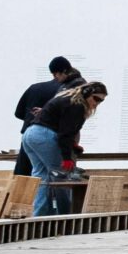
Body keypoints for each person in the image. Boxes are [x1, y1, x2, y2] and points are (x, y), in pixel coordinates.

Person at [22, 80, 107, 215]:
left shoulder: (67, 98)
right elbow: (65, 133)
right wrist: (67, 158)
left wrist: (72, 145)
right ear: (87, 93)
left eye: (101, 101)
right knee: (62, 178)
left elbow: (62, 126)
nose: (97, 103)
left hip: (31, 134)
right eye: (96, 98)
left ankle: (39, 217)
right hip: (45, 136)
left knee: (42, 177)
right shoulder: (77, 106)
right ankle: (64, 216)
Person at [8, 55, 81, 176]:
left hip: (29, 135)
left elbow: (19, 113)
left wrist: (36, 121)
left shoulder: (34, 88)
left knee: (29, 176)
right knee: (59, 176)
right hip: (52, 137)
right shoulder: (70, 91)